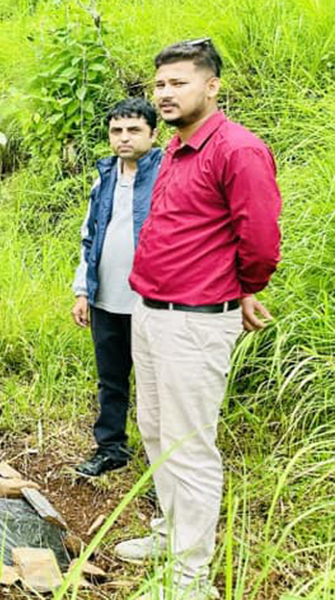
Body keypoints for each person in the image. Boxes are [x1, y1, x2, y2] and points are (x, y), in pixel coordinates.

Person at [116, 39, 281, 600]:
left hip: (194, 321)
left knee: (189, 445)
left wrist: (245, 288)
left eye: (179, 82)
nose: (165, 93)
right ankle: (170, 535)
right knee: (157, 432)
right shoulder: (175, 147)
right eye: (159, 84)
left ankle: (190, 577)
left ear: (212, 87)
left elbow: (259, 239)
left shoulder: (237, 150)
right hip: (151, 311)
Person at [70, 97, 163, 477]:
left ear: (153, 134)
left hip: (151, 301)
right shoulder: (105, 176)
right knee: (110, 379)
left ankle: (164, 462)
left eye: (134, 130)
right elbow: (89, 235)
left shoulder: (166, 173)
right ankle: (111, 448)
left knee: (157, 384)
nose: (124, 138)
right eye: (117, 131)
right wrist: (82, 291)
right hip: (106, 297)